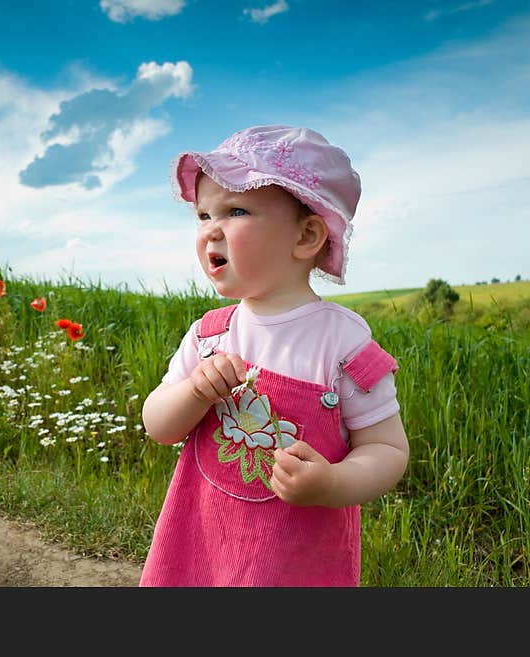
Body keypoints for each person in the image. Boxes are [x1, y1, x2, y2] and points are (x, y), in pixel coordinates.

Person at [140, 124, 409, 586]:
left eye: (236, 210)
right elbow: (158, 425)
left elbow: (387, 449)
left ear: (306, 237)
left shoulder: (343, 344)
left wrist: (333, 485)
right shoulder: (209, 336)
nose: (210, 231)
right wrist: (193, 392)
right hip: (201, 547)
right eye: (203, 216)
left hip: (294, 563)